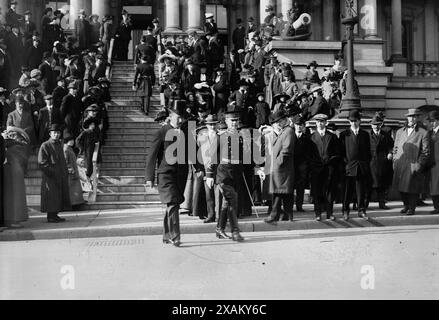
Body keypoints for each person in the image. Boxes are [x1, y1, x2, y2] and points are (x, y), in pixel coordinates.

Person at [145, 100, 189, 247]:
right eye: (178, 117)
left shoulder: (184, 132)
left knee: (172, 204)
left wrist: (200, 168)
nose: (181, 120)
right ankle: (175, 235)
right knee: (173, 203)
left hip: (180, 175)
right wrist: (149, 178)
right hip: (165, 174)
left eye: (183, 117)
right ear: (170, 116)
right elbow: (152, 155)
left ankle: (166, 235)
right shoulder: (161, 132)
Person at [205, 109, 245, 241]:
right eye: (232, 121)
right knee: (232, 200)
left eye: (236, 120)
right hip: (223, 173)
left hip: (235, 173)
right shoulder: (220, 136)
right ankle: (235, 231)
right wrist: (210, 175)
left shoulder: (239, 137)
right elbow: (211, 156)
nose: (234, 123)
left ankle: (219, 229)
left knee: (226, 204)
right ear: (226, 121)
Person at [393, 109, 430, 216]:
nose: (411, 119)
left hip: (414, 164)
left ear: (417, 118)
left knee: (412, 188)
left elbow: (426, 151)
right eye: (410, 116)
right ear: (407, 117)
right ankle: (406, 205)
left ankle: (412, 208)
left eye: (414, 117)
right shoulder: (400, 131)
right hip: (400, 164)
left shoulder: (423, 132)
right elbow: (395, 147)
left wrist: (419, 164)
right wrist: (395, 160)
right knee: (401, 187)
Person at [260, 109, 295, 223]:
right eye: (277, 122)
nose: (278, 124)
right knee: (283, 193)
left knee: (278, 193)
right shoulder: (285, 130)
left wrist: (277, 163)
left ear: (285, 120)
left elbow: (286, 150)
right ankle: (287, 215)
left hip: (281, 168)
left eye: (279, 121)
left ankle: (274, 215)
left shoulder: (288, 131)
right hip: (282, 168)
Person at [339, 110, 371, 220]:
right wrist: (345, 164)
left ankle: (361, 210)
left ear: (359, 121)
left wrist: (365, 164)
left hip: (361, 167)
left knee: (361, 191)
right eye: (351, 121)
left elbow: (368, 152)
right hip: (349, 167)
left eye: (356, 121)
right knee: (347, 191)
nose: (354, 123)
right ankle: (345, 210)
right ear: (349, 122)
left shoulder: (365, 134)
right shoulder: (344, 135)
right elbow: (341, 152)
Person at [308, 114, 341, 221]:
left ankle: (329, 212)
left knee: (329, 192)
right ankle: (318, 213)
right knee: (317, 191)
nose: (320, 124)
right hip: (316, 169)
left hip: (328, 169)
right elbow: (309, 154)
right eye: (318, 122)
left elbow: (337, 153)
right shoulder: (311, 137)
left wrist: (331, 162)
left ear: (326, 123)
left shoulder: (332, 137)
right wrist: (313, 164)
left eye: (322, 122)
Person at [38, 123, 71, 223]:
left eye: (58, 133)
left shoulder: (59, 144)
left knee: (58, 196)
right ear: (50, 134)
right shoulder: (45, 145)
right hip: (50, 176)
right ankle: (50, 216)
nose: (56, 135)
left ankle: (55, 214)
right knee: (51, 196)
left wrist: (64, 172)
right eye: (54, 133)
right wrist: (52, 172)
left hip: (60, 175)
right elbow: (42, 162)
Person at [2, 126, 30, 228]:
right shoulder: (18, 147)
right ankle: (13, 219)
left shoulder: (13, 147)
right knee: (14, 198)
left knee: (12, 198)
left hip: (11, 175)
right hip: (14, 175)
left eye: (13, 135)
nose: (9, 137)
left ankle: (11, 219)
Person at [368, 113, 394, 210]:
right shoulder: (368, 135)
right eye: (374, 124)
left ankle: (382, 203)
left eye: (378, 124)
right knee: (370, 184)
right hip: (371, 163)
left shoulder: (386, 135)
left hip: (383, 162)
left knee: (383, 184)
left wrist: (390, 153)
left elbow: (392, 146)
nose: (376, 126)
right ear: (371, 125)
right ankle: (365, 204)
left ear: (381, 125)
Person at [291, 114, 310, 212]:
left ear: (303, 126)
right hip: (291, 166)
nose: (299, 126)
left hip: (302, 166)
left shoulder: (306, 138)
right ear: (294, 125)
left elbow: (308, 152)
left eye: (300, 125)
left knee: (300, 187)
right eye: (297, 125)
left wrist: (305, 164)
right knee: (290, 186)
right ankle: (289, 206)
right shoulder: (290, 137)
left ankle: (299, 205)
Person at [63, 133, 84, 209]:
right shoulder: (66, 149)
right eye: (70, 140)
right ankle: (72, 205)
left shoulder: (69, 149)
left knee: (74, 189)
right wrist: (70, 169)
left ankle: (75, 204)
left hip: (73, 172)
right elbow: (65, 161)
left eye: (72, 140)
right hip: (70, 173)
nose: (72, 142)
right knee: (72, 190)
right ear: (66, 141)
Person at [76, 116, 100, 183]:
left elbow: (96, 141)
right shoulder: (85, 132)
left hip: (91, 152)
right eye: (92, 124)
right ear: (89, 125)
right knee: (86, 167)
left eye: (94, 124)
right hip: (86, 152)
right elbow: (77, 140)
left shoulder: (94, 133)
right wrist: (81, 148)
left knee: (90, 167)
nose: (93, 126)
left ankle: (88, 181)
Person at [428, 110, 439, 214]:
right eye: (430, 121)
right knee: (433, 186)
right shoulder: (429, 133)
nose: (431, 123)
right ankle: (436, 207)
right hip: (432, 164)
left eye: (433, 121)